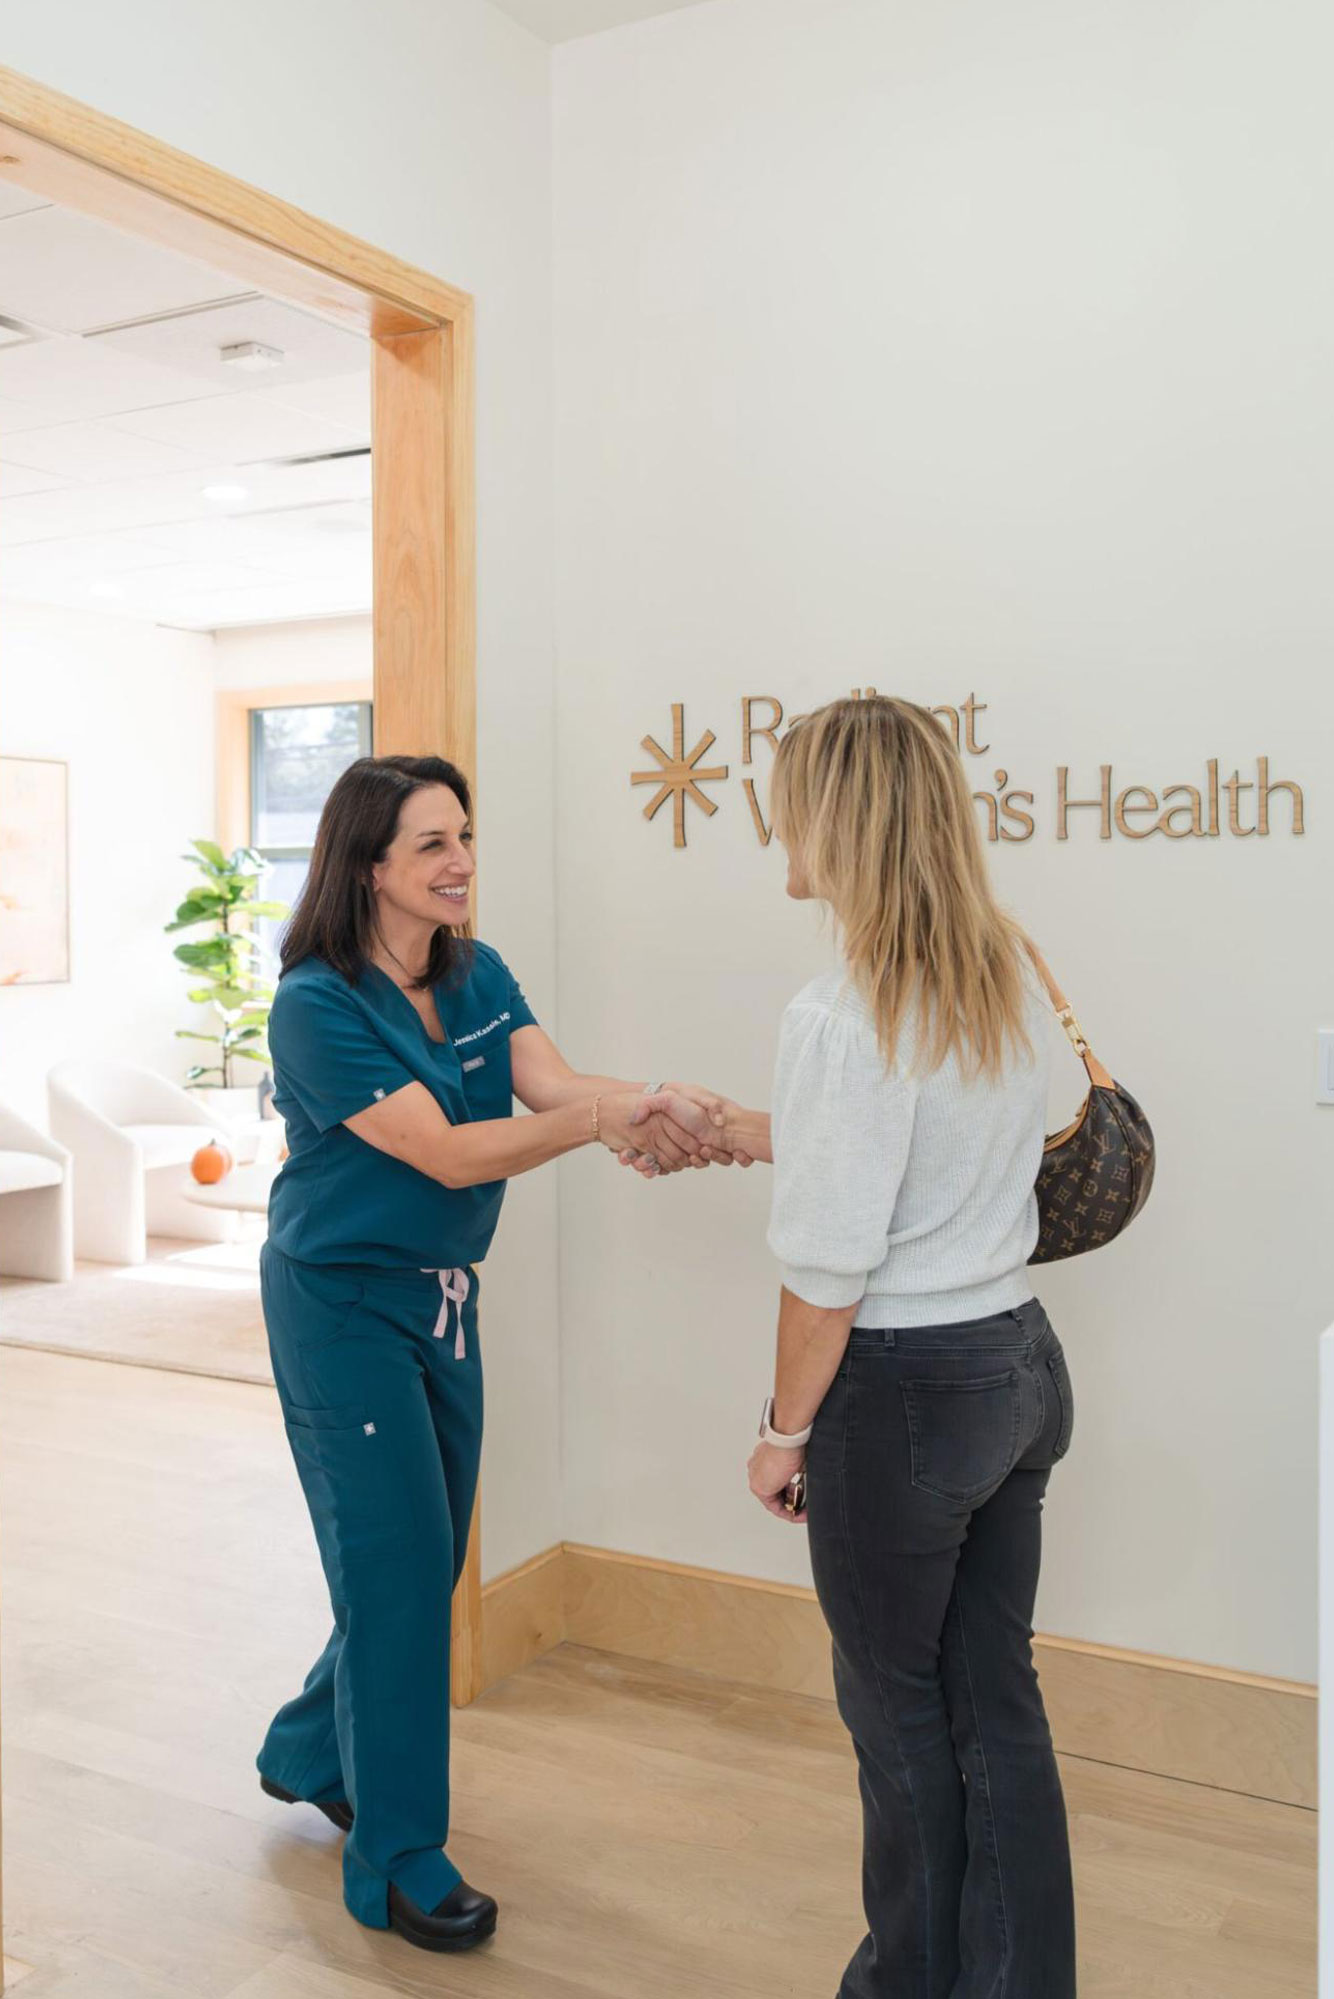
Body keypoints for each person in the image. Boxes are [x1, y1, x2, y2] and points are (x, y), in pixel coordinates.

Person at [635, 697, 1077, 1998]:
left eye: (786, 804)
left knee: (896, 1718)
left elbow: (825, 1276)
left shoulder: (840, 1011)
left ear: (837, 820)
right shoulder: (998, 969)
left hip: (904, 1394)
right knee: (993, 1702)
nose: (775, 827)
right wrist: (754, 1128)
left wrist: (779, 1434)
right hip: (1015, 1364)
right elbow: (935, 1148)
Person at [255, 752, 726, 1953]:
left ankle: (309, 1749)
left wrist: (659, 1103)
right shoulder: (316, 1004)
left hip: (442, 1299)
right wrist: (602, 1123)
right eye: (432, 843)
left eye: (463, 835)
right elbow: (450, 1152)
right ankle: (396, 1862)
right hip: (341, 1306)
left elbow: (553, 1085)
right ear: (369, 865)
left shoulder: (475, 973)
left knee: (420, 1556)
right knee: (399, 1568)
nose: (461, 859)